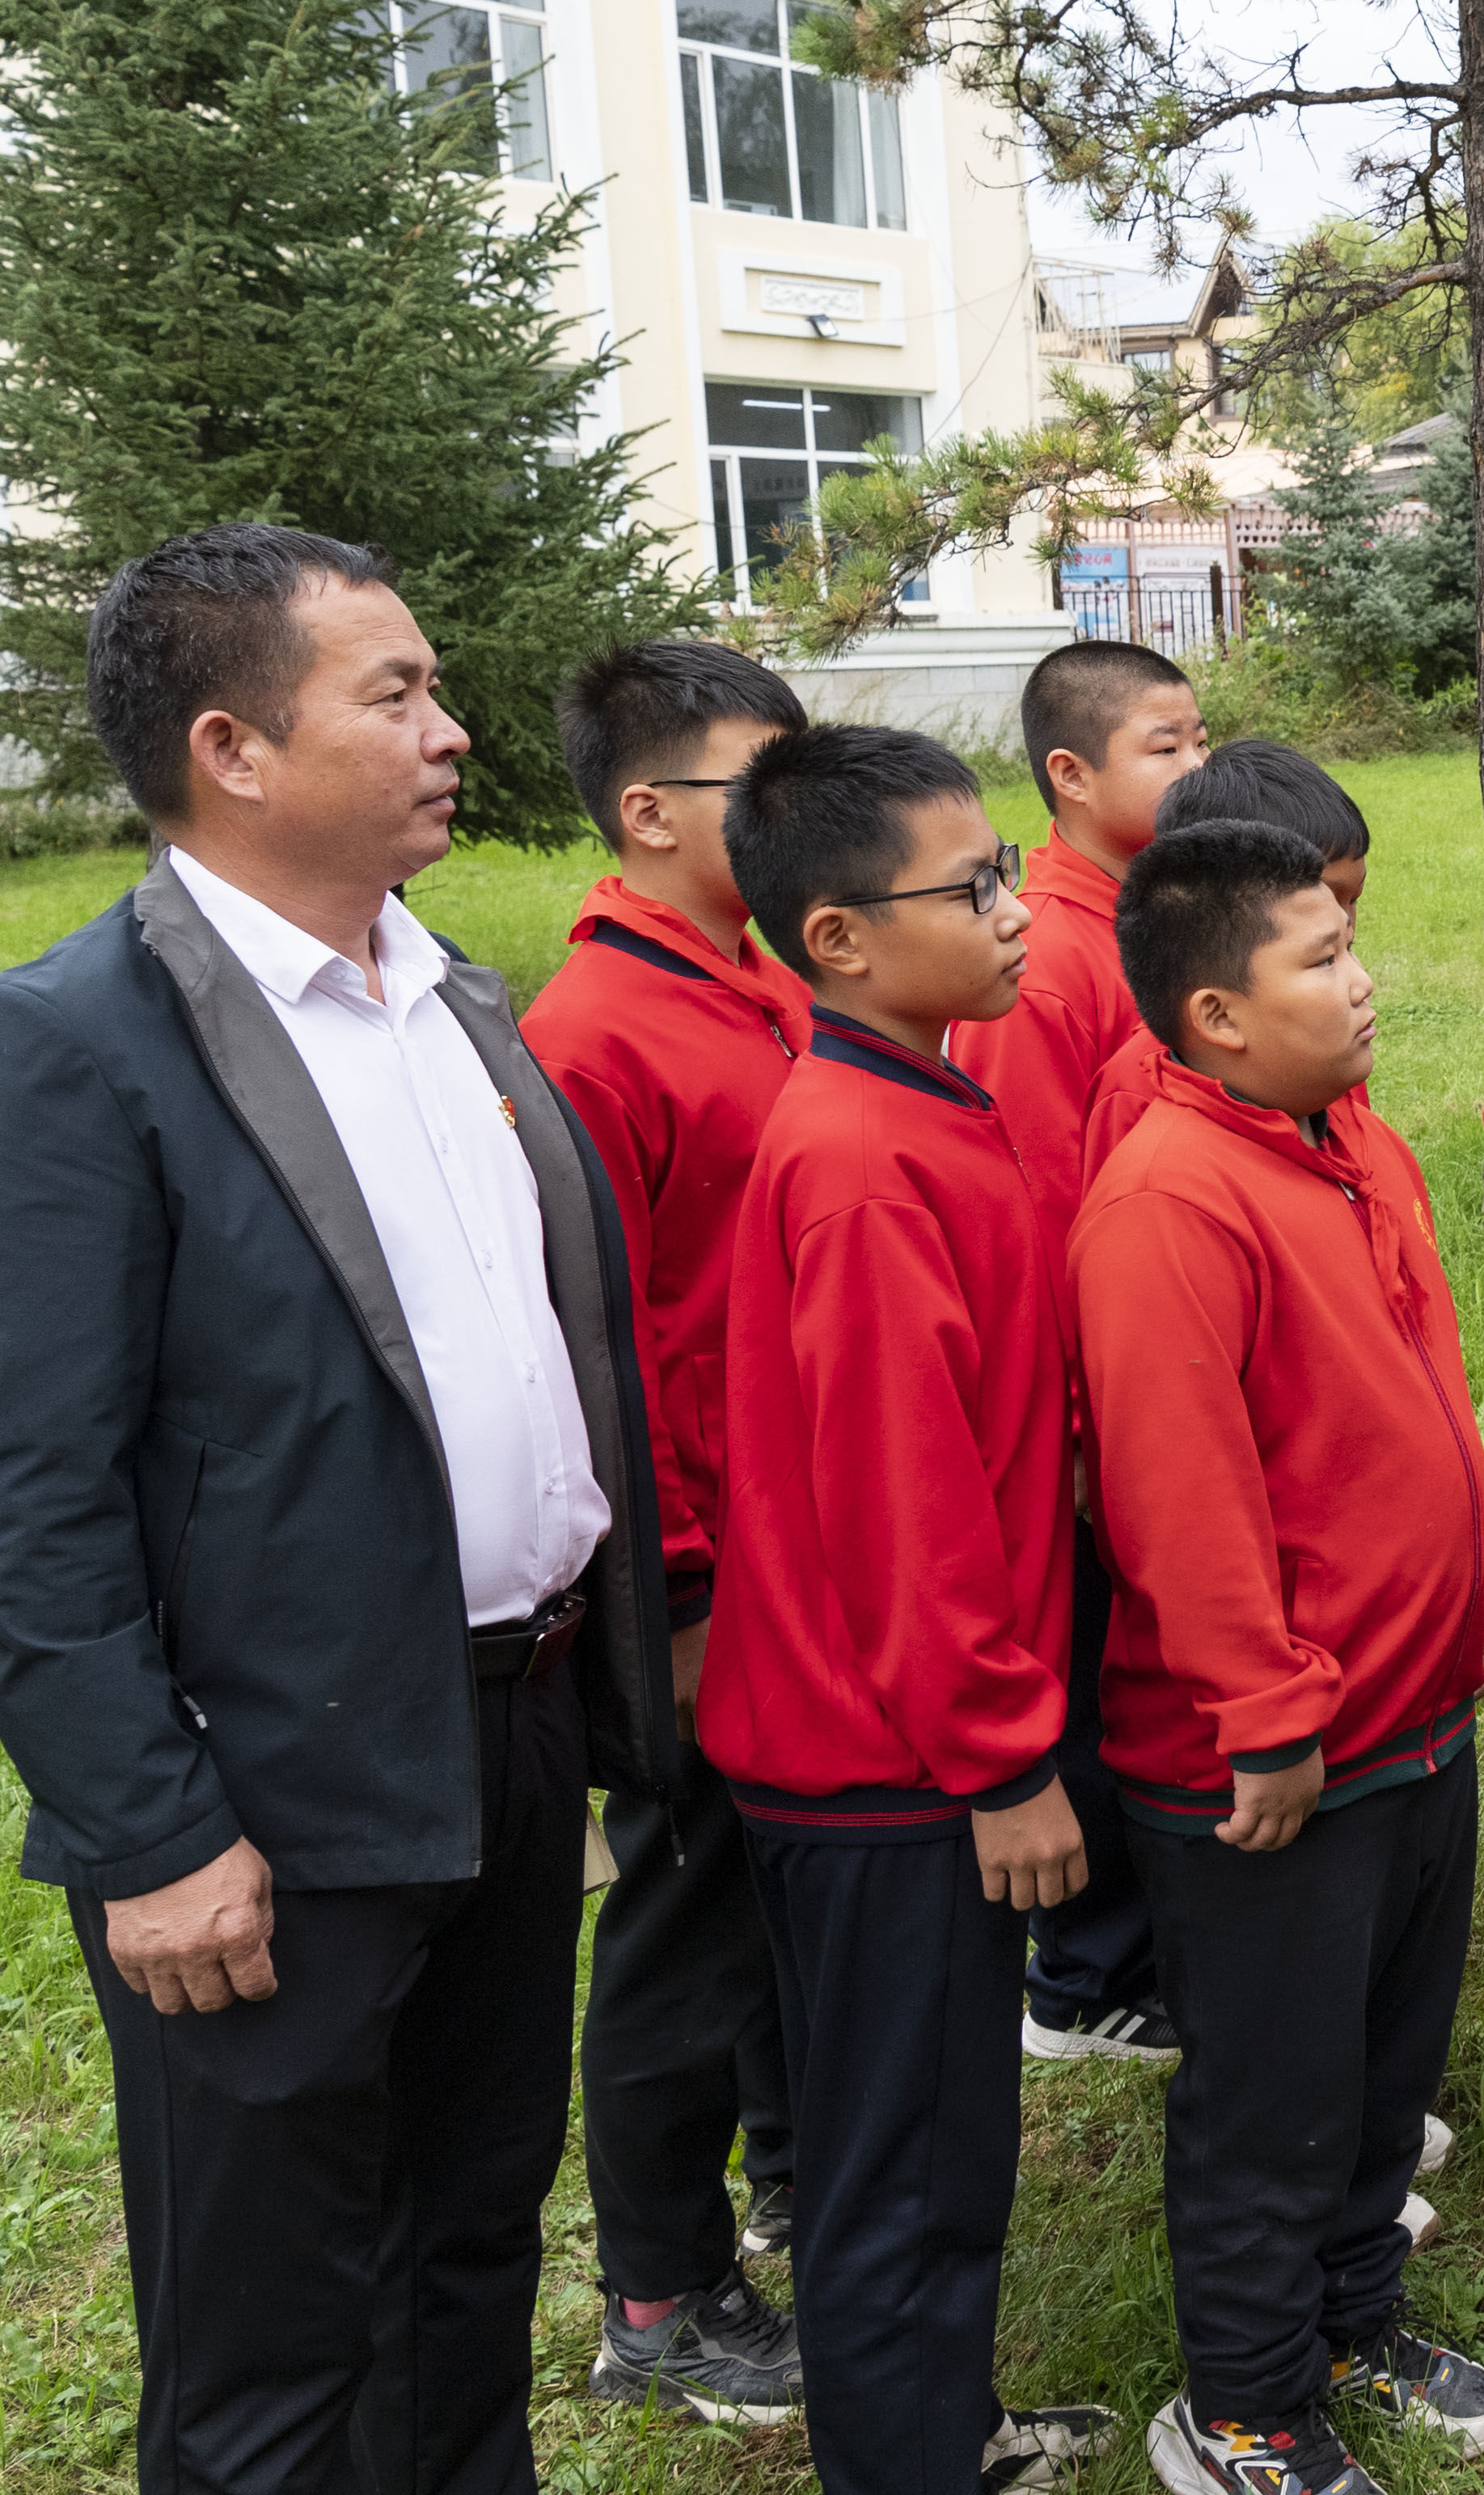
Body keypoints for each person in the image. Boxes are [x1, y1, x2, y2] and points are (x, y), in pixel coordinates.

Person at [0, 523, 674, 2495]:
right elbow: (17, 1492)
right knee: (271, 2338)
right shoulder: (56, 1053)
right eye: (394, 693)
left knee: (469, 2247)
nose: (450, 728)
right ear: (234, 746)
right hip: (268, 1803)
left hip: (509, 1728)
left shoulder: (455, 1004)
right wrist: (153, 1829)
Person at [1076, 824, 1484, 2493]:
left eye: (1352, 943)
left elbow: (1411, 1384)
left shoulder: (1355, 1145)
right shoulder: (1170, 1201)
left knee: (1384, 2064)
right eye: (1320, 959)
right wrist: (1265, 1715)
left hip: (1416, 1710)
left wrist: (1468, 1566)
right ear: (1216, 1015)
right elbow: (1178, 1488)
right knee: (1271, 2098)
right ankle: (1245, 2407)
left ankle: (1352, 2315)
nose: (1364, 979)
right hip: (1275, 1761)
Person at [704, 725, 1117, 2494]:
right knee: (901, 2160)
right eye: (974, 887)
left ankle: (947, 2424)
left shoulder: (925, 1097)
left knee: (948, 2138)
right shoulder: (862, 1157)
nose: (1017, 911)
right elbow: (906, 1498)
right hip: (883, 1763)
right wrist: (1004, 1753)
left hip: (901, 1742)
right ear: (838, 940)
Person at [520, 639, 814, 2425]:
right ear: (650, 812)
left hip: (807, 1536)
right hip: (699, 1568)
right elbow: (604, 1350)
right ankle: (660, 2286)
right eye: (759, 789)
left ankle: (784, 2165)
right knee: (683, 1911)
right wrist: (677, 1596)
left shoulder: (754, 979)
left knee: (769, 1890)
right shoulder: (593, 1034)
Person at [949, 638, 1205, 2068]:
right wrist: (1087, 1420)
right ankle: (1091, 1972)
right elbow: (1042, 1207)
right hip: (1084, 1393)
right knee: (1097, 1664)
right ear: (1070, 774)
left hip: (1146, 1373)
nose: (1196, 765)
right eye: (1163, 745)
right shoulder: (1047, 961)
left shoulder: (1149, 921)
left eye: (1198, 736)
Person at [1079, 739, 1370, 1182]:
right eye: (1327, 894)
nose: (1343, 922)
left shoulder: (1325, 1035)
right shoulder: (1135, 1096)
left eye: (1355, 900)